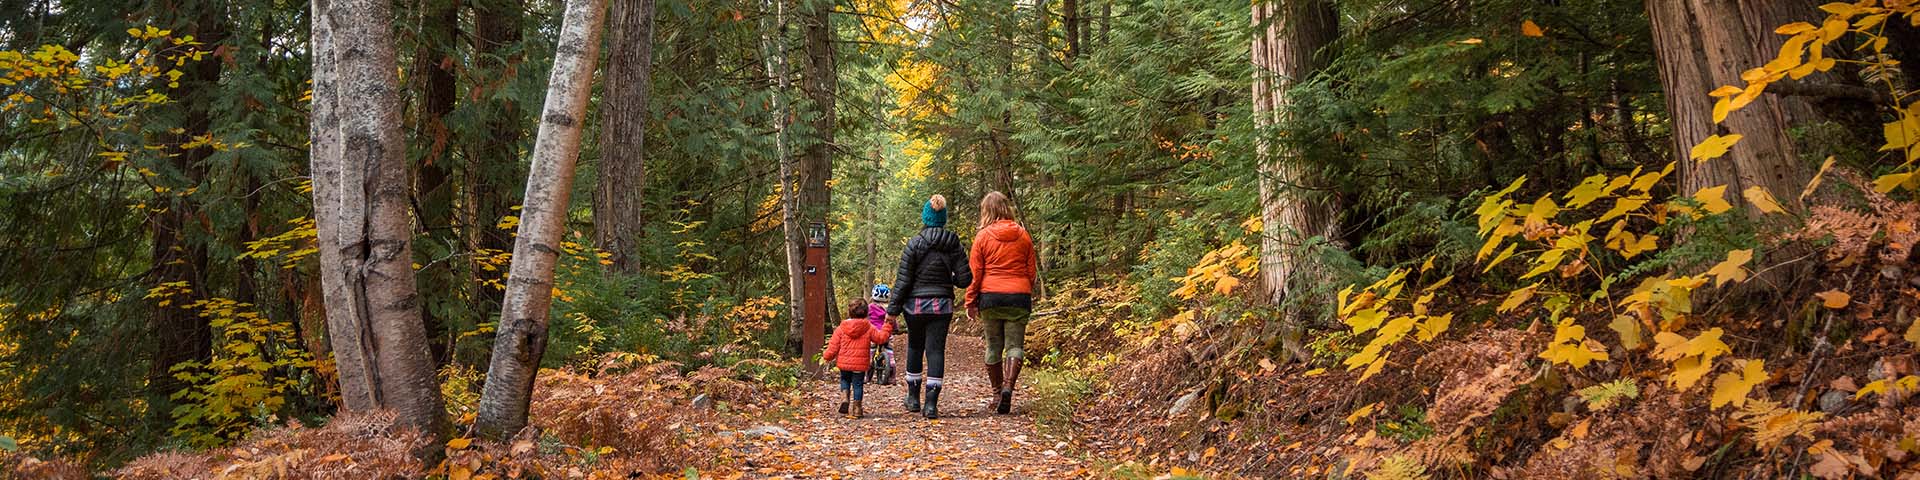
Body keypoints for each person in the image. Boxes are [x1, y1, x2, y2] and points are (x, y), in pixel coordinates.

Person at [887, 194, 972, 419]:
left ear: (925, 217)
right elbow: (965, 279)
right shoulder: (953, 243)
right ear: (943, 218)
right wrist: (949, 279)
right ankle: (931, 405)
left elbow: (903, 281)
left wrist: (892, 311)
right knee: (936, 351)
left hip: (914, 306)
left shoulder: (914, 244)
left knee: (915, 347)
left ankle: (913, 398)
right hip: (942, 305)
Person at [966, 191, 1039, 414]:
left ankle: (997, 394)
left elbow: (975, 273)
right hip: (1018, 296)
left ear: (986, 211)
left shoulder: (982, 237)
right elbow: (1031, 272)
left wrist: (970, 300)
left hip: (991, 297)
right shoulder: (1024, 236)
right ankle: (1009, 386)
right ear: (1007, 208)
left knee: (993, 346)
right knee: (1015, 346)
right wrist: (1024, 289)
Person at [824, 298, 894, 419]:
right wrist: (887, 325)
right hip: (860, 365)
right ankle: (857, 409)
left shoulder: (841, 328)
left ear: (849, 312)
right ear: (866, 313)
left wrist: (827, 356)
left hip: (844, 363)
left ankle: (845, 398)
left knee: (845, 380)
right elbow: (881, 338)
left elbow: (833, 346)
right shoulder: (868, 327)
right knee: (858, 384)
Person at [866, 284, 897, 385]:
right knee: (890, 353)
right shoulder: (889, 309)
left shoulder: (870, 307)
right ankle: (892, 377)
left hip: (873, 334)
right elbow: (893, 321)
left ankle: (866, 376)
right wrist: (895, 329)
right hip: (887, 334)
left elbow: (866, 319)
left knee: (869, 353)